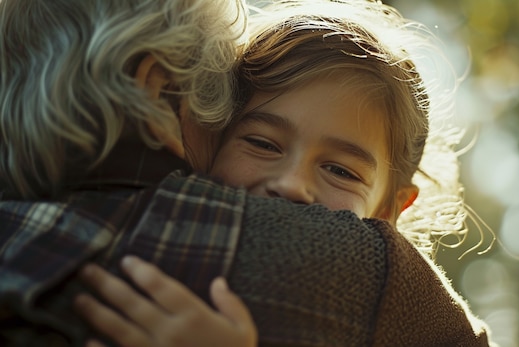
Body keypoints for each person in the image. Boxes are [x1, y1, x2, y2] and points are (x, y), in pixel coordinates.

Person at [0, 0, 492, 346]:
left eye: (341, 170)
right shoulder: (372, 280)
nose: (291, 184)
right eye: (260, 143)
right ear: (160, 89)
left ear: (391, 208)